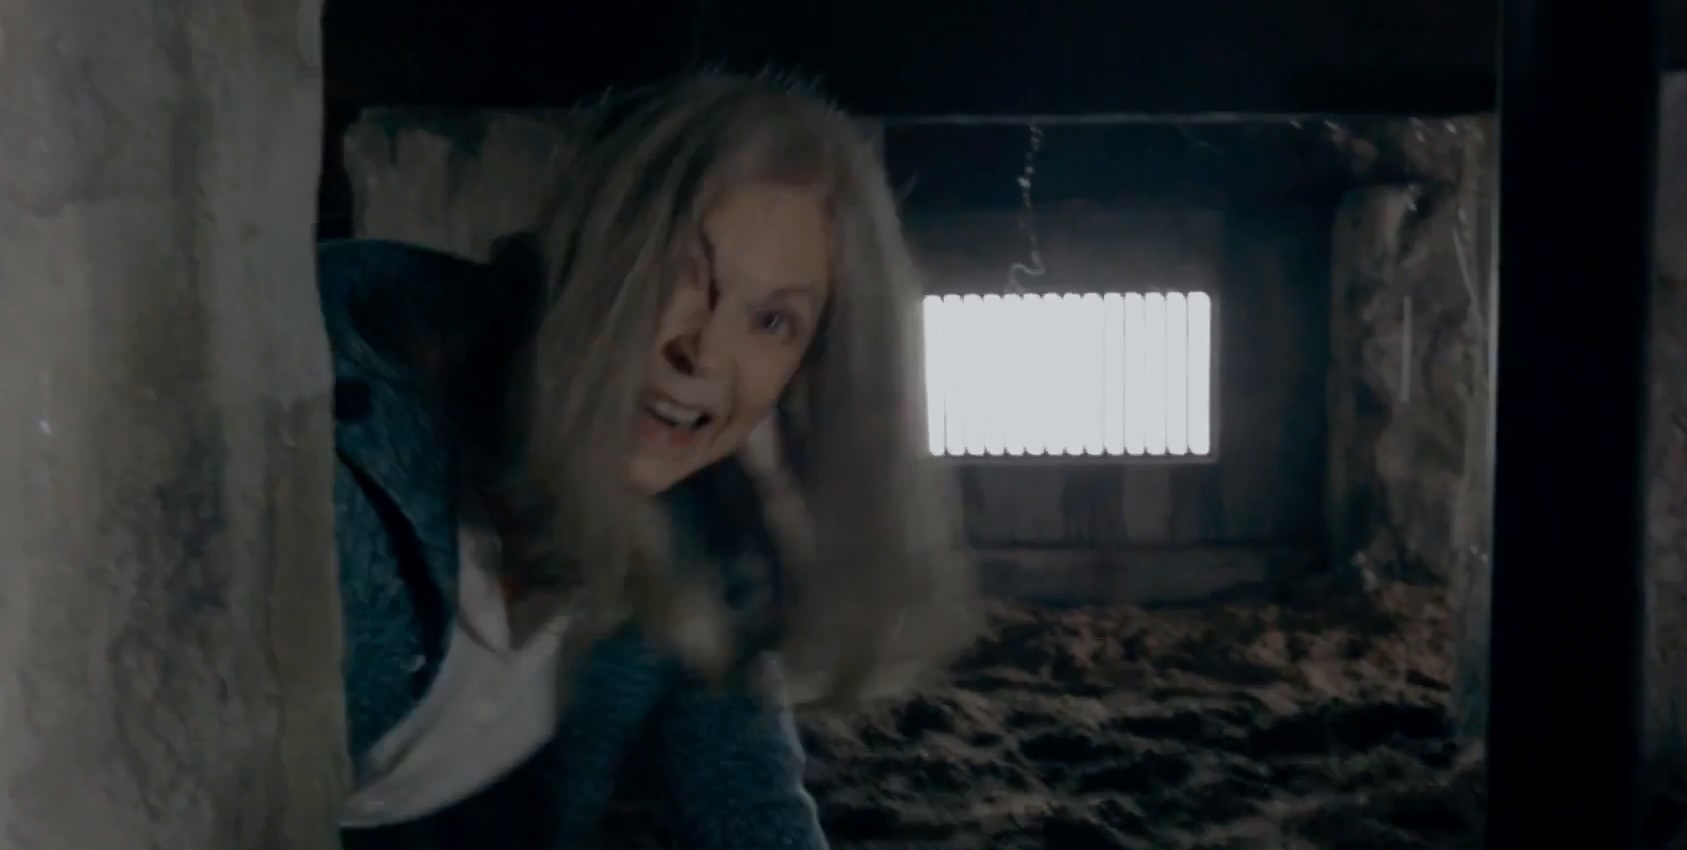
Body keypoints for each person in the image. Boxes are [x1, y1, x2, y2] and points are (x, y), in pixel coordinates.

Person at [320, 71, 977, 850]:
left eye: (772, 321)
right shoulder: (347, 455)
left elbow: (747, 802)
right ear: (594, 252)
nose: (704, 353)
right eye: (678, 276)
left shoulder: (700, 536)